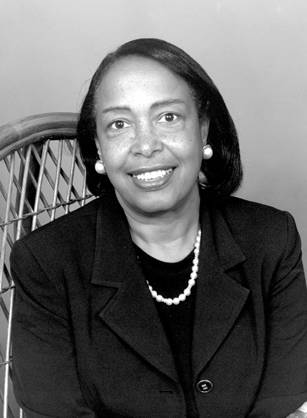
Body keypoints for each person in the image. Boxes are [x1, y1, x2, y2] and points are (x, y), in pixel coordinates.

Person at [10, 38, 307, 418]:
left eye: (168, 117)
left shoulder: (271, 239)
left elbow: (286, 405)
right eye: (119, 124)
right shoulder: (47, 263)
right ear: (98, 149)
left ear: (203, 130)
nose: (145, 145)